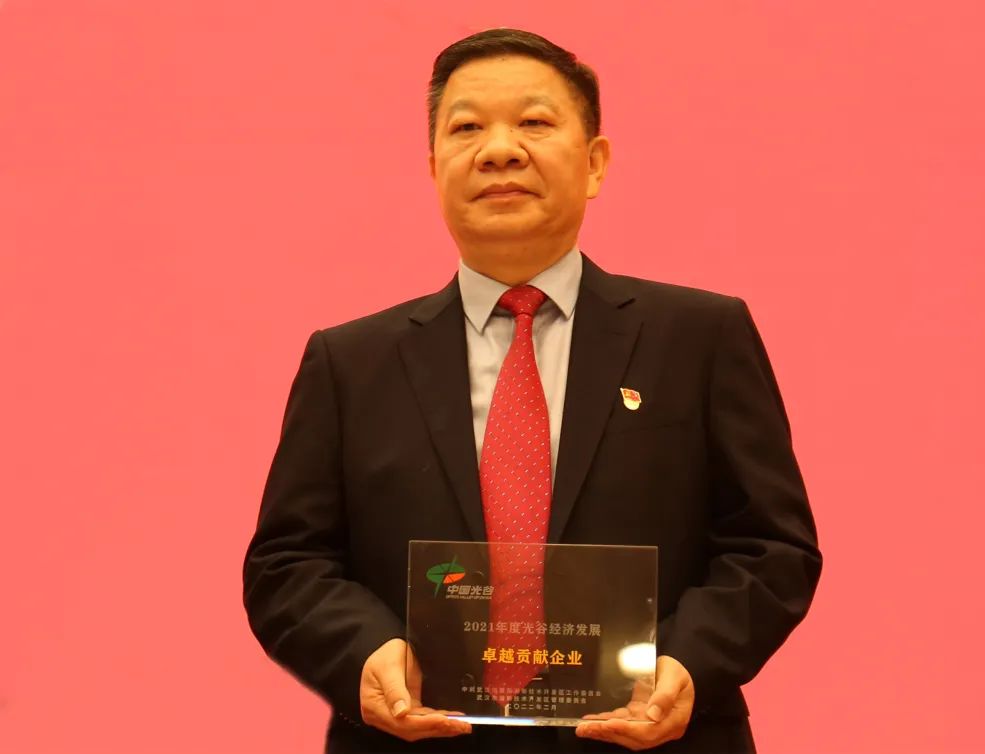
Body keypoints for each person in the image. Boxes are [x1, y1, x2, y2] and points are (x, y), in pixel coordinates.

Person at [243, 27, 822, 754]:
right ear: (434, 168)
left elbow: (771, 547)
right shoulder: (350, 362)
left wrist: (686, 664)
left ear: (595, 162)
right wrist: (366, 654)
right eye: (467, 129)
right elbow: (287, 567)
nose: (499, 150)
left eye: (534, 122)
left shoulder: (701, 337)